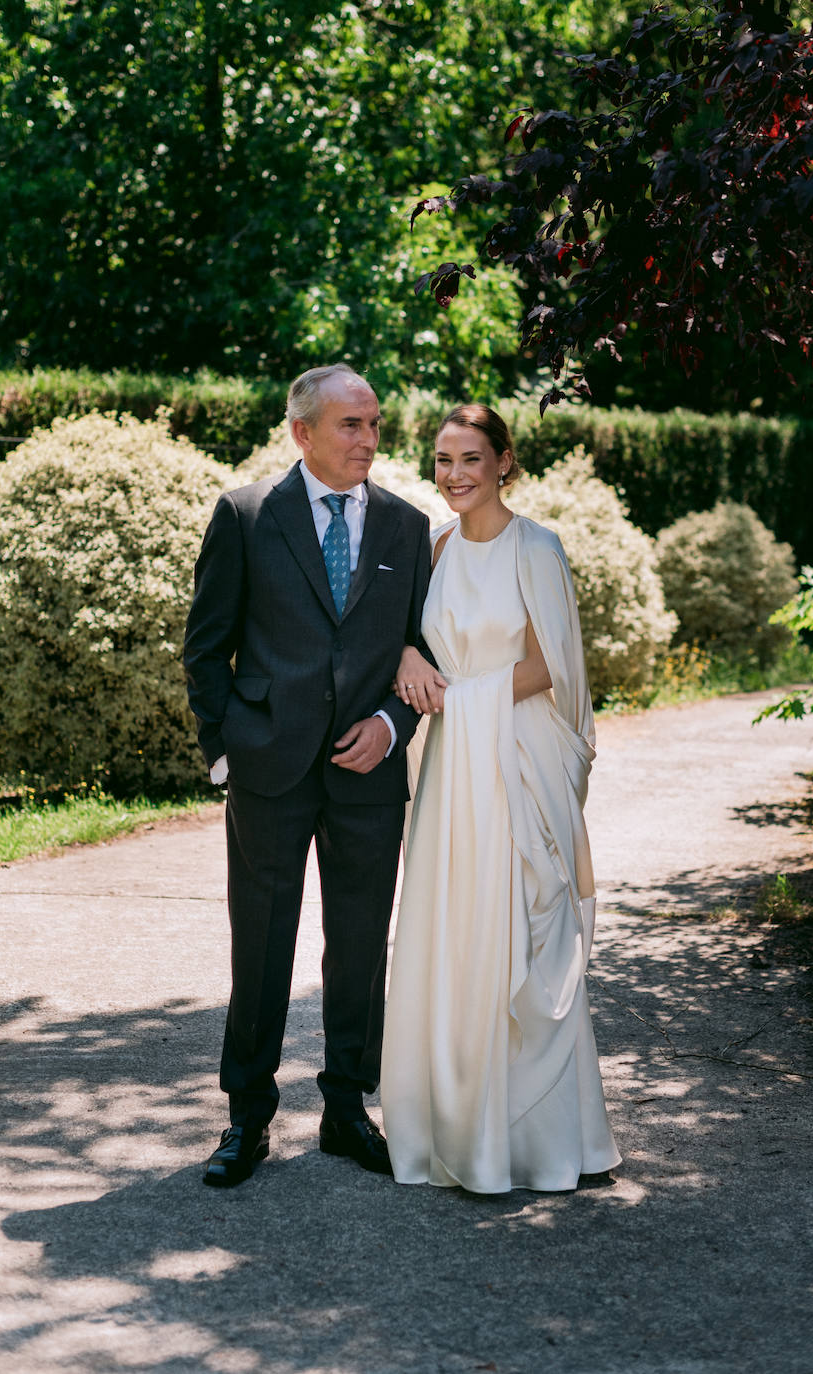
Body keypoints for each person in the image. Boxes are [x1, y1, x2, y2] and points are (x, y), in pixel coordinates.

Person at [184, 363, 431, 1187]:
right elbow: (205, 644)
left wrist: (393, 726)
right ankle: (246, 1119)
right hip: (268, 770)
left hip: (366, 778)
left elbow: (425, 655)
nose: (368, 439)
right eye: (349, 425)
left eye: (373, 424)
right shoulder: (247, 514)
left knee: (358, 947)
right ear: (302, 431)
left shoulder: (406, 526)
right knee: (260, 946)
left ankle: (344, 1112)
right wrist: (225, 749)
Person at [380, 403, 621, 1193]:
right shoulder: (435, 545)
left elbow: (552, 666)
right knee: (459, 935)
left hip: (519, 761)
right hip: (453, 770)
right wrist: (411, 659)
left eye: (471, 459)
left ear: (504, 461)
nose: (454, 475)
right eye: (443, 459)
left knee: (525, 931)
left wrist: (457, 696)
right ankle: (458, 1129)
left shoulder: (537, 548)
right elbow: (401, 637)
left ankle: (544, 1144)